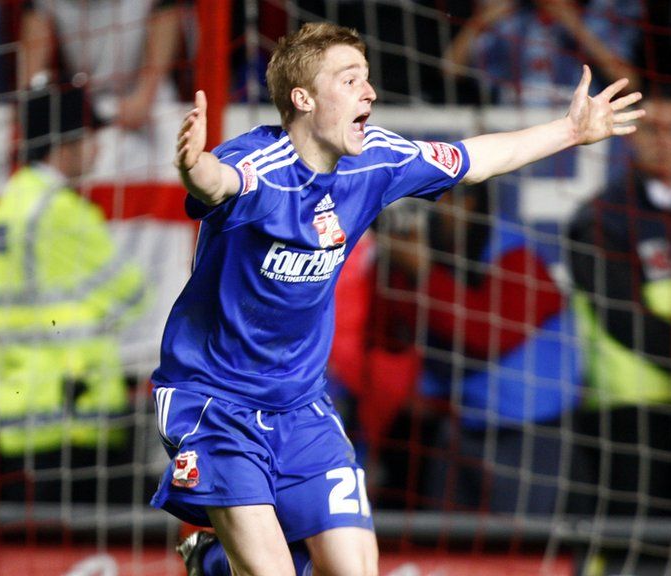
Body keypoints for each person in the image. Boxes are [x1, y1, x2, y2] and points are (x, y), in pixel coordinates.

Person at [151, 21, 643, 576]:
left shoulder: (376, 159)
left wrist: (570, 131)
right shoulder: (262, 165)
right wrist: (192, 166)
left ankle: (213, 559)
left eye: (367, 78)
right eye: (350, 79)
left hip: (301, 405)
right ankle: (216, 561)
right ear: (303, 98)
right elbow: (219, 182)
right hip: (216, 402)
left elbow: (473, 158)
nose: (370, 93)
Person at [0, 85, 150, 504]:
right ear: (67, 142)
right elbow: (132, 296)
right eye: (91, 135)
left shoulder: (9, 206)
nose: (97, 148)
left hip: (22, 404)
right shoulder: (63, 210)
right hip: (73, 403)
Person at [565, 88, 671, 516]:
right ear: (630, 134)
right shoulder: (601, 218)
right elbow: (622, 317)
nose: (663, 141)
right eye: (652, 129)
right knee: (634, 544)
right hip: (625, 415)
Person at [410, 187, 583, 515]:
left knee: (516, 553)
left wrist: (422, 272)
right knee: (444, 552)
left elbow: (487, 334)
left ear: (471, 204)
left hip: (528, 436)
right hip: (462, 426)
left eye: (441, 201)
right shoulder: (441, 252)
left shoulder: (516, 255)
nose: (433, 213)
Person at [17, 0, 186, 180]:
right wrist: (29, 104)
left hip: (153, 105)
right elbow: (31, 75)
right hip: (89, 107)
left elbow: (166, 13)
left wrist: (144, 96)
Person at [443, 0, 643, 107]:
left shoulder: (598, 22)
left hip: (581, 127)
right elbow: (450, 69)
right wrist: (482, 20)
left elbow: (629, 82)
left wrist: (574, 26)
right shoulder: (513, 24)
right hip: (516, 126)